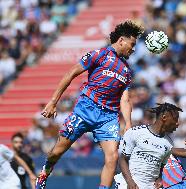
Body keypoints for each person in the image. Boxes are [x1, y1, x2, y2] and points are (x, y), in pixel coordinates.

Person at [35, 20, 144, 189]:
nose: (133, 48)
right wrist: (53, 102)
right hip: (85, 109)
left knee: (113, 157)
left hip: (108, 118)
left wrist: (128, 124)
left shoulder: (127, 71)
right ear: (121, 40)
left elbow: (125, 99)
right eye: (132, 43)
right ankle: (44, 172)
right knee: (56, 152)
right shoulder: (99, 54)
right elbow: (71, 73)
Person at [114, 103, 186, 189]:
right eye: (175, 119)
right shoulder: (136, 132)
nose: (177, 124)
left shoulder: (168, 143)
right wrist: (130, 181)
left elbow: (161, 166)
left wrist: (159, 179)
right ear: (164, 118)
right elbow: (122, 160)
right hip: (128, 185)